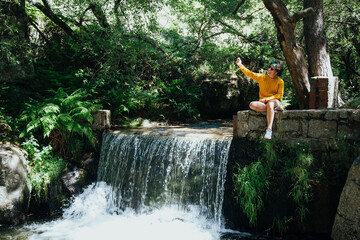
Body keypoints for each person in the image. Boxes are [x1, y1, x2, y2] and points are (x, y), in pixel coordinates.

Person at [236, 57, 284, 139]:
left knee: (270, 103)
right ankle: (272, 109)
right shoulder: (262, 77)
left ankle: (269, 130)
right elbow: (250, 74)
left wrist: (267, 99)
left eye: (272, 68)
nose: (269, 69)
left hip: (274, 101)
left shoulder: (280, 81)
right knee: (252, 105)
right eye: (269, 67)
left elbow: (279, 95)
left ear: (276, 72)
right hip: (265, 104)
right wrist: (240, 65)